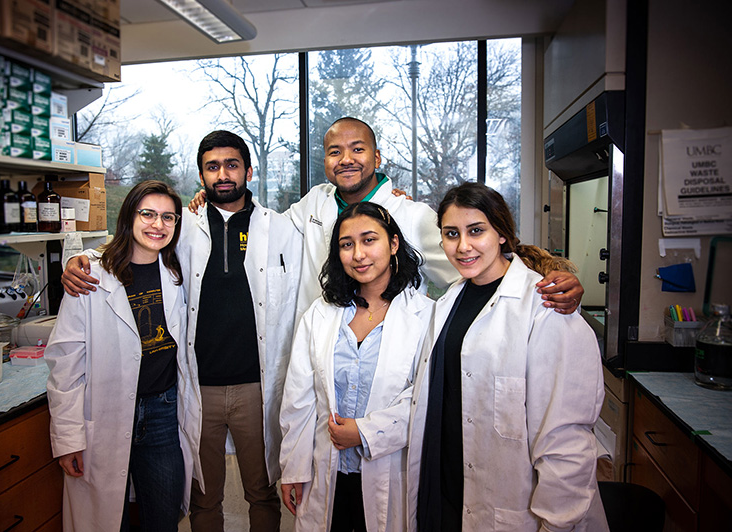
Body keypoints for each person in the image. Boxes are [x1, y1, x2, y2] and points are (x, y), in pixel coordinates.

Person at [60, 131, 303, 532]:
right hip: (195, 387)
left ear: (248, 169)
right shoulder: (182, 226)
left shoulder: (280, 228)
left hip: (255, 388)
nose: (222, 174)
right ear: (202, 176)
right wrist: (79, 259)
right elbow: (131, 247)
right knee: (203, 498)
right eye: (212, 167)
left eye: (231, 165)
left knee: (262, 491)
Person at [189, 117, 584, 319]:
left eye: (357, 149)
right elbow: (261, 223)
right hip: (322, 343)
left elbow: (475, 265)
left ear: (377, 158)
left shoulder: (410, 215)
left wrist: (543, 280)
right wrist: (210, 197)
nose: (346, 159)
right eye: (334, 152)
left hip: (389, 352)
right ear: (324, 162)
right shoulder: (313, 204)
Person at [406, 182, 608, 532]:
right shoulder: (447, 304)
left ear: (501, 233)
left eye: (476, 231)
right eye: (451, 233)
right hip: (449, 492)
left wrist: (559, 523)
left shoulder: (545, 308)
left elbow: (565, 440)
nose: (463, 246)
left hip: (515, 508)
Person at [45, 180, 201, 532]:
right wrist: (68, 438)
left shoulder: (177, 273)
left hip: (162, 413)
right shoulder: (90, 275)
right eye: (147, 214)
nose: (157, 225)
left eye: (168, 217)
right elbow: (65, 362)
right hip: (105, 411)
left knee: (162, 519)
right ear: (129, 216)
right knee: (107, 520)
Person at [280, 202, 432, 532]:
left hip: (389, 471)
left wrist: (363, 432)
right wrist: (293, 469)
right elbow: (299, 401)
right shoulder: (321, 315)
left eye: (369, 240)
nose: (358, 254)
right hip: (328, 472)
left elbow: (424, 398)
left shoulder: (426, 317)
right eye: (347, 244)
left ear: (393, 244)